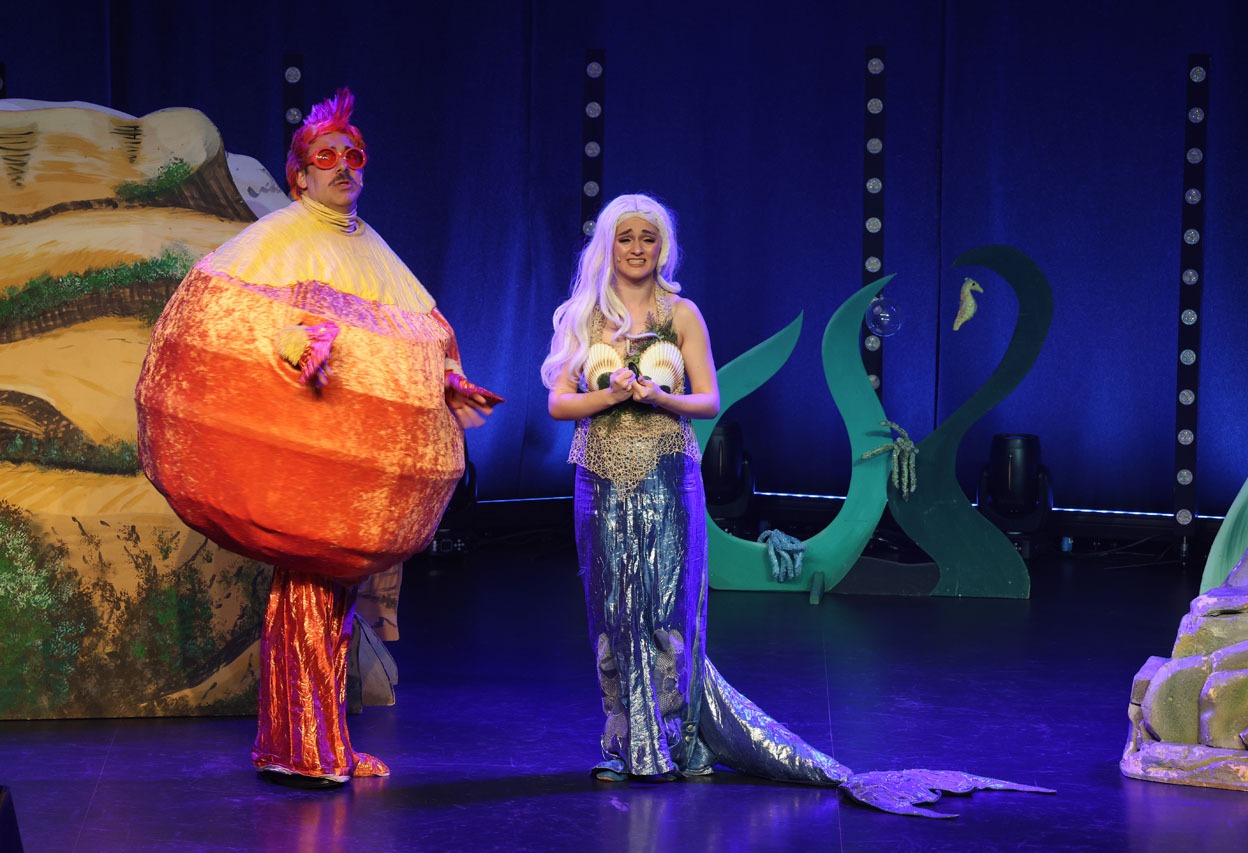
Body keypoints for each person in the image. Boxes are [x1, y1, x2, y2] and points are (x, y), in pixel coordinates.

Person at [541, 194, 1050, 816]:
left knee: (666, 611)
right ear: (609, 246)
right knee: (613, 612)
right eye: (626, 238)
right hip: (600, 480)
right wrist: (611, 396)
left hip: (669, 480)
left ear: (662, 247)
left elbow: (707, 399)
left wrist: (656, 397)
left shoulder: (683, 314)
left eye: (648, 237)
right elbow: (559, 402)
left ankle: (674, 739)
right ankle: (622, 746)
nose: (637, 248)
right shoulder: (583, 315)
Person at [144, 88, 495, 790]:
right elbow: (219, 318)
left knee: (332, 610)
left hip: (347, 483)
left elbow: (420, 331)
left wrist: (447, 379)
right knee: (307, 601)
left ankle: (315, 738)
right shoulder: (280, 240)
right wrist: (287, 339)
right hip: (301, 474)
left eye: (352, 155)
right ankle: (304, 746)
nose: (341, 167)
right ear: (300, 174)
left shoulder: (371, 246)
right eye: (325, 157)